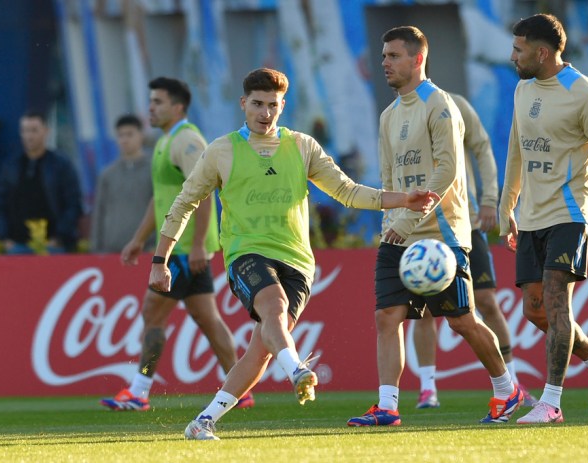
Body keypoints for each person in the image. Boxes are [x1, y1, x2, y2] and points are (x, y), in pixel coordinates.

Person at [148, 67, 438, 440]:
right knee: (275, 308)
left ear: (283, 105)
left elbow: (346, 191)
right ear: (243, 104)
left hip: (298, 261)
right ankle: (298, 369)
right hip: (245, 253)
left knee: (263, 348)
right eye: (257, 104)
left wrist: (403, 200)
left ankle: (204, 420)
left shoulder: (302, 146)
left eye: (273, 105)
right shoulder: (220, 150)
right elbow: (184, 203)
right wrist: (161, 259)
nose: (265, 113)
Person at [347, 26, 523, 428]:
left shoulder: (440, 104)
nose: (385, 63)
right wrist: (391, 221)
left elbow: (448, 170)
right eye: (384, 56)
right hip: (399, 234)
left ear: (417, 59)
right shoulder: (389, 114)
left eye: (393, 56)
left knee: (462, 319)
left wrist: (411, 218)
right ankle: (388, 406)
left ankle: (505, 389)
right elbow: (390, 179)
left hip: (441, 236)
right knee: (387, 317)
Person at [500, 14, 588, 424]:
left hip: (570, 214)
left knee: (558, 304)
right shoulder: (523, 89)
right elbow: (516, 148)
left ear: (542, 52)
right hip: (531, 217)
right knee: (535, 311)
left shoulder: (585, 95)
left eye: (519, 49)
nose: (512, 56)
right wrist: (508, 205)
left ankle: (551, 402)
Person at [100, 77, 252, 411]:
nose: (150, 107)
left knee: (152, 315)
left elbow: (205, 190)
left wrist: (198, 244)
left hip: (182, 250)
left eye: (157, 101)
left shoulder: (186, 141)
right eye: (150, 101)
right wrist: (139, 239)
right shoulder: (165, 140)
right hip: (181, 247)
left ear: (177, 107)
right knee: (208, 320)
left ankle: (139, 391)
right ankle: (240, 388)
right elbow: (162, 197)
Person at [411, 93, 537, 410]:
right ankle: (428, 388)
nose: (389, 64)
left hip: (462, 222)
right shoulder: (398, 113)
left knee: (486, 301)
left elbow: (481, 148)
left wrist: (489, 198)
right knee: (423, 309)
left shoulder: (454, 104)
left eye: (396, 56)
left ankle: (512, 380)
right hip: (420, 226)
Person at [0, 110, 82, 254]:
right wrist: (4, 237)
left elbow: (74, 203)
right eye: (25, 130)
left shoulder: (61, 165)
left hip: (53, 245)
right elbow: (1, 203)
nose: (29, 136)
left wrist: (60, 236)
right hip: (16, 245)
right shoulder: (11, 165)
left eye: (34, 130)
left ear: (46, 131)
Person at [90, 114, 154, 253]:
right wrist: (96, 248)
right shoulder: (107, 174)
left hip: (147, 249)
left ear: (141, 135)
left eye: (129, 134)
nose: (124, 140)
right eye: (120, 135)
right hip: (112, 251)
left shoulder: (155, 169)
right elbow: (99, 213)